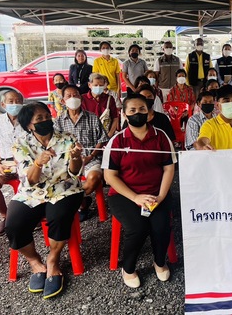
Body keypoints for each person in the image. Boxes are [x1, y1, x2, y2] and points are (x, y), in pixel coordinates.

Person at [5, 102, 83, 299]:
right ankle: (35, 262)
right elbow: (30, 180)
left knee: (59, 217)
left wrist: (75, 158)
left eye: (47, 116)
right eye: (39, 119)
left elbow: (74, 173)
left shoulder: (67, 138)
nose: (45, 121)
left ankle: (53, 260)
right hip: (32, 192)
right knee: (13, 224)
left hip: (64, 189)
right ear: (29, 125)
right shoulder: (20, 144)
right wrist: (38, 162)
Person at [102, 94, 176, 288]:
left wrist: (161, 196)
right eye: (132, 110)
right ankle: (128, 268)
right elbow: (110, 177)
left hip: (156, 193)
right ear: (124, 114)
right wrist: (135, 197)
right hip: (124, 195)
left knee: (161, 227)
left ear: (149, 113)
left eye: (142, 109)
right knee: (137, 229)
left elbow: (169, 169)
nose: (137, 113)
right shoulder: (117, 141)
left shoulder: (161, 137)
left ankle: (159, 262)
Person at [54, 85, 109, 221]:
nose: (73, 98)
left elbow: (102, 140)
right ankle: (82, 203)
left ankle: (76, 202)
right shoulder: (58, 122)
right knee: (58, 181)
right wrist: (72, 158)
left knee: (94, 177)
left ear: (81, 98)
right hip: (68, 161)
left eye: (76, 95)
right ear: (63, 101)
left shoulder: (92, 117)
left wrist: (90, 156)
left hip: (91, 159)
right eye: (69, 96)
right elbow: (55, 145)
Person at [0, 90, 25, 235]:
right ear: (3, 104)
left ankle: (31, 215)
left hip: (25, 162)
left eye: (18, 101)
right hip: (5, 162)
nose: (15, 104)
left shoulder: (29, 120)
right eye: (11, 101)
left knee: (33, 181)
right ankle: (6, 216)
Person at [81, 73, 119, 137]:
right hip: (87, 135)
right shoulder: (82, 99)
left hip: (105, 134)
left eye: (101, 85)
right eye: (95, 85)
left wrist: (110, 134)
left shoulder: (109, 99)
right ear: (89, 85)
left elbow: (115, 118)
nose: (98, 87)